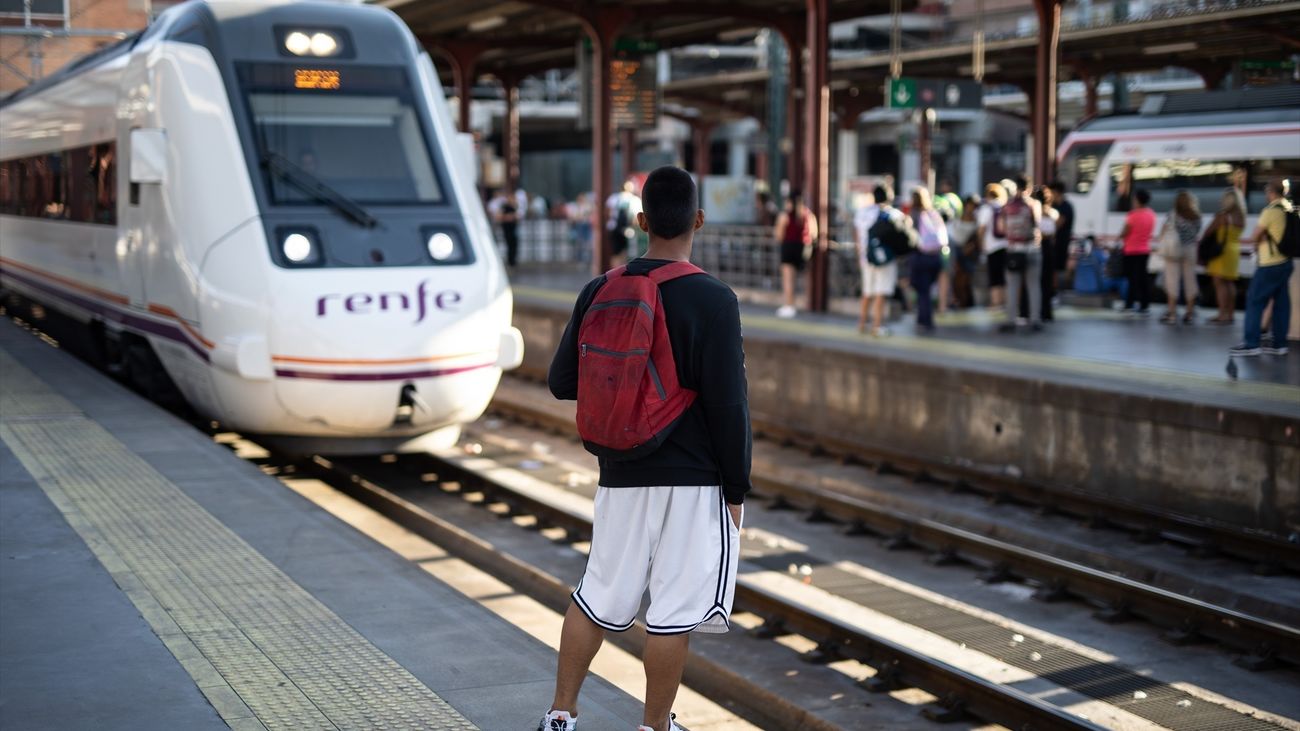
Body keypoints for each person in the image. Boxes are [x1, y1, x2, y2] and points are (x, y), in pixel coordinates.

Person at [542, 165, 750, 731]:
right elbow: (730, 408)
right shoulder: (714, 299)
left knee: (596, 595)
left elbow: (563, 381)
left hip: (622, 473)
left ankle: (561, 715)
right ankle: (655, 727)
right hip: (694, 479)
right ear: (698, 221)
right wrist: (736, 489)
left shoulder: (602, 289)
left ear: (640, 222)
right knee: (674, 613)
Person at [1230, 179, 1294, 356]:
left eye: (1267, 192)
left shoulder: (1270, 211)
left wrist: (1255, 239)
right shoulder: (1288, 207)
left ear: (1271, 192)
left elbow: (1255, 235)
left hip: (1269, 264)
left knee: (1254, 301)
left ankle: (1251, 344)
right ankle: (1279, 344)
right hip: (1286, 262)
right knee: (1281, 304)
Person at [855, 184, 908, 336]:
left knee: (867, 291)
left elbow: (857, 235)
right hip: (886, 258)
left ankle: (862, 323)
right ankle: (877, 326)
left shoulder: (862, 213)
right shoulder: (893, 214)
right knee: (881, 292)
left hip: (867, 258)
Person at [998, 174, 1043, 332]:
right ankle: (1035, 320)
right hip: (1032, 249)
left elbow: (1001, 228)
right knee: (1033, 286)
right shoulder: (1033, 204)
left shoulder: (1007, 206)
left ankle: (1010, 320)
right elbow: (1038, 225)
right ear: (1029, 188)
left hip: (1013, 251)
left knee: (1012, 286)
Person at [773, 189, 817, 319]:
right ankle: (808, 302)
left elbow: (779, 235)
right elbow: (814, 234)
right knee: (805, 277)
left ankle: (789, 305)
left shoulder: (785, 215)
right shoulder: (808, 214)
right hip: (803, 248)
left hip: (788, 247)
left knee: (788, 279)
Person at [1160, 190, 1203, 324]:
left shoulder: (1172, 215)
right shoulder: (1197, 216)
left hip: (1174, 250)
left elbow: (1163, 232)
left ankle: (1172, 314)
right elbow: (1197, 232)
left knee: (1172, 280)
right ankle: (1189, 313)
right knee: (1190, 280)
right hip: (1190, 250)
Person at [910, 186, 948, 332]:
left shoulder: (914, 214)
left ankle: (926, 320)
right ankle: (923, 318)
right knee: (926, 289)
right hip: (935, 256)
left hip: (921, 256)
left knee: (922, 290)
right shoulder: (933, 213)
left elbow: (911, 237)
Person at [1206, 187, 1246, 324]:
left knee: (1219, 283)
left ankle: (1222, 314)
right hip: (1234, 250)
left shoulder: (1222, 216)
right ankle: (1231, 314)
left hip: (1221, 251)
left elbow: (1208, 232)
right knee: (1229, 283)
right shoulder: (1241, 216)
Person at [1118, 188, 1156, 316]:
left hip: (1131, 250)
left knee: (1131, 279)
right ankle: (1145, 305)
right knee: (1143, 278)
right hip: (1145, 250)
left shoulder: (1132, 215)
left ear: (1137, 199)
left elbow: (1125, 232)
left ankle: (1129, 304)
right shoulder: (1151, 214)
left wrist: (1121, 236)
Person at [976, 183, 1009, 309]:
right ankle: (1006, 301)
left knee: (994, 275)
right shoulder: (1004, 207)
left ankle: (996, 302)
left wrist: (980, 243)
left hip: (992, 246)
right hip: (1006, 245)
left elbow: (981, 229)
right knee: (1004, 275)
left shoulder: (986, 208)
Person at [948, 196, 981, 309]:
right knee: (957, 279)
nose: (970, 208)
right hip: (957, 251)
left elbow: (978, 238)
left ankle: (966, 303)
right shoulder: (957, 218)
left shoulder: (978, 220)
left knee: (965, 280)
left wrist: (970, 247)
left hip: (970, 253)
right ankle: (959, 301)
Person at [1036, 185, 1060, 322]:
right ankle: (1046, 311)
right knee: (1047, 282)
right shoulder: (1054, 214)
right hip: (1049, 250)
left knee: (1035, 282)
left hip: (1037, 248)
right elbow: (1053, 233)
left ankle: (1033, 309)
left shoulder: (1034, 213)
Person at [606, 180, 643, 267]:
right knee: (627, 254)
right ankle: (623, 273)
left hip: (614, 228)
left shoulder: (613, 198)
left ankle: (615, 274)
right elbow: (637, 218)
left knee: (616, 253)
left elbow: (608, 212)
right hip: (629, 230)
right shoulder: (634, 200)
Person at [1049, 181, 1075, 292]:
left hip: (1062, 243)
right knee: (1053, 268)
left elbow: (1058, 224)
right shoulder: (1053, 206)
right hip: (1054, 243)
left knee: (1059, 268)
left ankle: (1058, 292)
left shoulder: (1066, 206)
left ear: (1056, 192)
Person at [488, 187, 521, 268]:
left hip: (512, 228)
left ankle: (512, 262)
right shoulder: (504, 206)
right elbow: (498, 216)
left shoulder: (514, 206)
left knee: (513, 245)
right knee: (508, 244)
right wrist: (509, 217)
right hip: (506, 229)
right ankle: (510, 262)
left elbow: (517, 217)